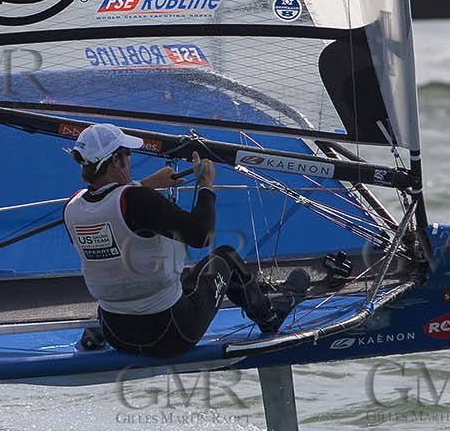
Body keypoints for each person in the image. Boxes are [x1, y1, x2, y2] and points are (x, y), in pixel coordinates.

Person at [63, 124, 286, 358]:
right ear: (116, 160)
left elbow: (113, 208)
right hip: (171, 333)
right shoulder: (138, 200)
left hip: (117, 334)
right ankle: (268, 317)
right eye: (128, 154)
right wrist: (206, 185)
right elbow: (201, 235)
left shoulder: (73, 207)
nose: (130, 158)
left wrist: (146, 184)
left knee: (157, 274)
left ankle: (96, 333)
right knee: (227, 256)